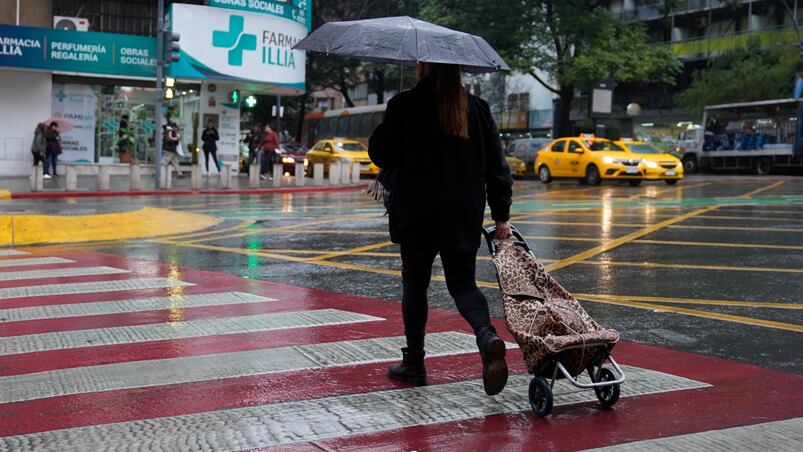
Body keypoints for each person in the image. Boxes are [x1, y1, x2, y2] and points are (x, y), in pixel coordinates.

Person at [368, 62, 513, 395]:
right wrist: (501, 216)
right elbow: (497, 167)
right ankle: (486, 335)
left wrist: (393, 116)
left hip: (416, 212)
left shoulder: (404, 104)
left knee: (415, 284)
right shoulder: (477, 108)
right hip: (462, 214)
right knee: (463, 285)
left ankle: (415, 365)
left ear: (424, 67)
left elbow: (379, 153)